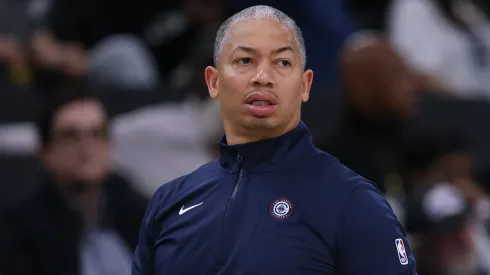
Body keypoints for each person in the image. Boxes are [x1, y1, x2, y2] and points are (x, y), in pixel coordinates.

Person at [132, 5, 417, 275]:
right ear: (213, 82)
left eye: (282, 62)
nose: (262, 77)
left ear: (305, 85)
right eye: (244, 61)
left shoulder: (354, 203)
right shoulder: (169, 202)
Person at [0, 79, 149, 275]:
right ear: (46, 152)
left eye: (96, 134)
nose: (86, 149)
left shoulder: (142, 213)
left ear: (110, 145)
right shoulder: (19, 230)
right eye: (71, 136)